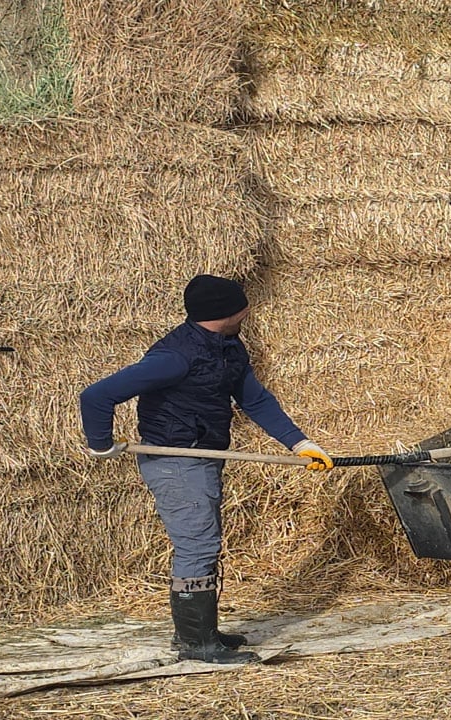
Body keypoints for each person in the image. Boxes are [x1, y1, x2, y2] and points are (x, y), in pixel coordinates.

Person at [79, 274, 333, 665]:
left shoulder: (229, 346)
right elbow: (96, 396)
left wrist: (299, 443)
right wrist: (100, 445)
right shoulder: (175, 357)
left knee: (206, 543)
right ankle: (196, 645)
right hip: (174, 461)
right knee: (196, 545)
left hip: (204, 456)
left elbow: (254, 399)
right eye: (243, 307)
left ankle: (204, 632)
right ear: (226, 312)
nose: (249, 311)